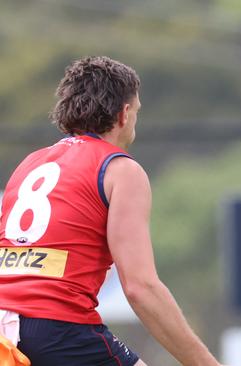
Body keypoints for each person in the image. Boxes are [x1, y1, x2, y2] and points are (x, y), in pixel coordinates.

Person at [0, 56, 222, 366]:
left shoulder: (30, 163)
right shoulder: (121, 170)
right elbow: (140, 288)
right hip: (58, 328)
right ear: (124, 113)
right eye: (137, 111)